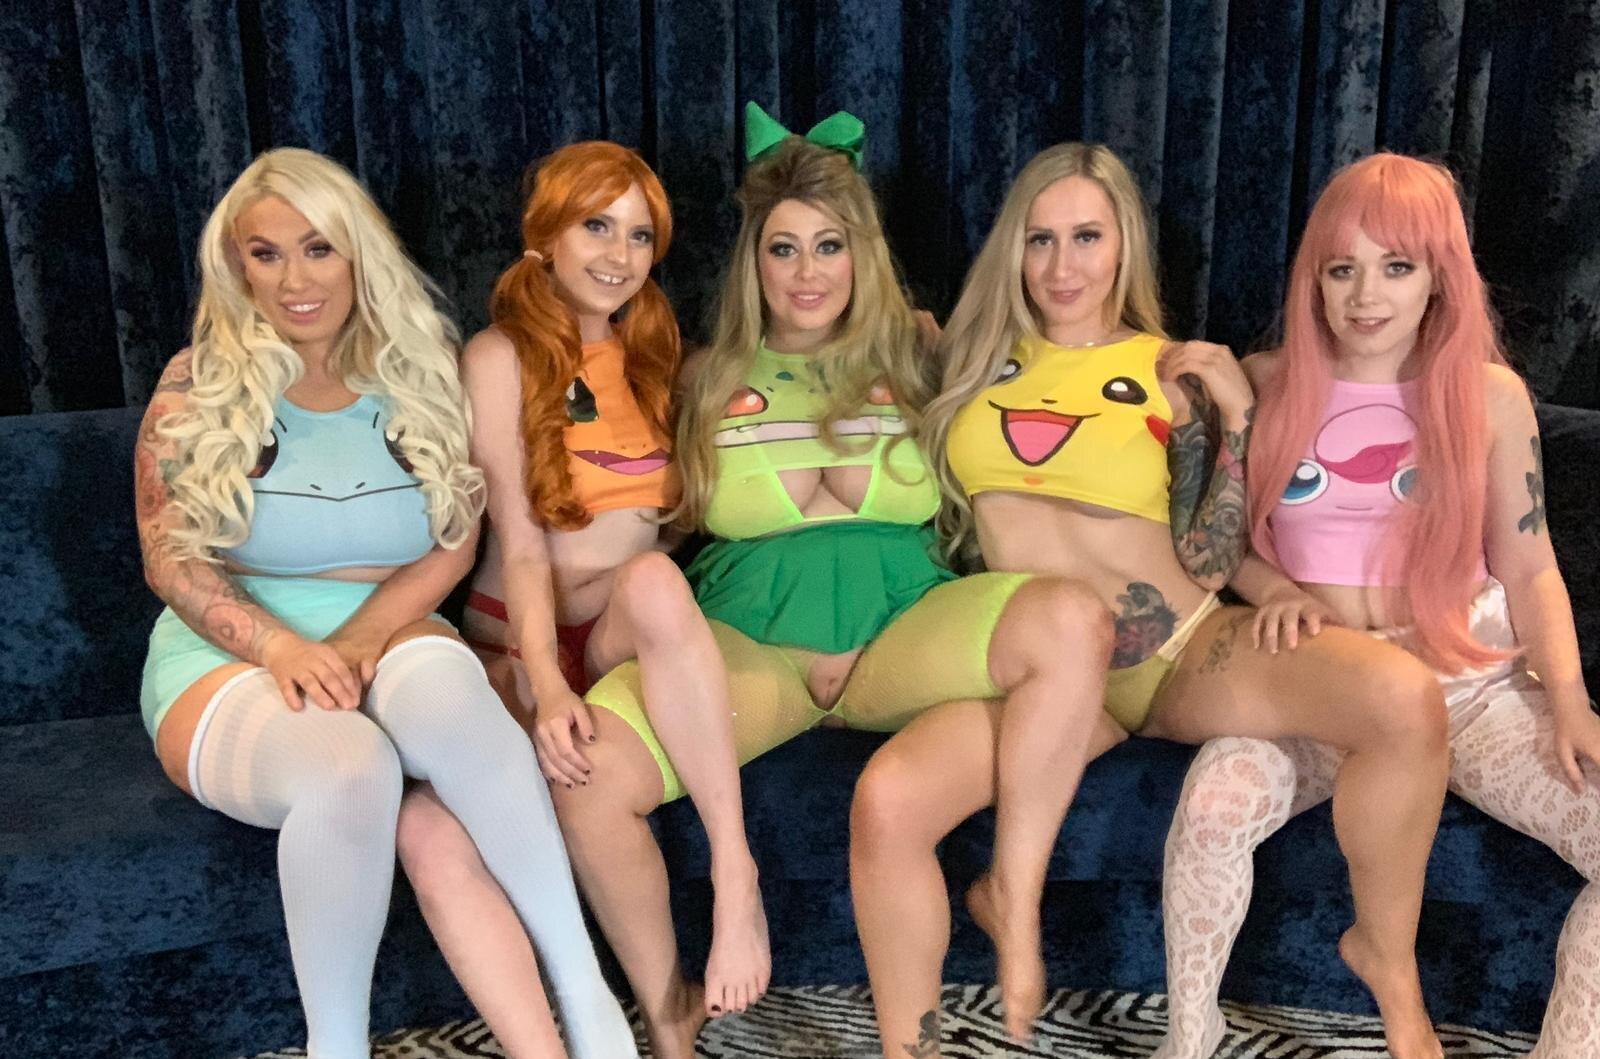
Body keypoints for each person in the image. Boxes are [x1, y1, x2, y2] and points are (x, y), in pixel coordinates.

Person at [571, 104, 1115, 1059]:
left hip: (906, 632)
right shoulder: (701, 375)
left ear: (862, 254)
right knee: (587, 782)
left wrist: (1213, 380)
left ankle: (954, 990)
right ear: (753, 261)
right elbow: (607, 477)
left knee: (1071, 619)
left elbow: (1065, 369)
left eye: (830, 245)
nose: (807, 272)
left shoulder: (923, 354)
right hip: (752, 649)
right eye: (783, 248)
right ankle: (670, 1018)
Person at [921, 142, 1453, 1059]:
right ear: (1013, 249)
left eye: (1087, 236)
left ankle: (1389, 965)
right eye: (1041, 239)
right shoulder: (966, 363)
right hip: (1048, 679)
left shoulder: (1173, 366)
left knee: (1404, 699)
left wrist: (1235, 416)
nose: (1062, 264)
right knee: (896, 800)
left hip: (1180, 656)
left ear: (1124, 244)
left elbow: (1208, 557)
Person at [133, 147, 634, 1059]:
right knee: (350, 764)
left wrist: (366, 635)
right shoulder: (195, 382)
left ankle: (583, 988)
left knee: (459, 717)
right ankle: (338, 1047)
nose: (295, 279)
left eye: (319, 248)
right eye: (266, 253)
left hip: (395, 622)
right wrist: (281, 648)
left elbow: (457, 539)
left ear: (358, 252)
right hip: (233, 655)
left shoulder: (422, 370)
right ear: (237, 265)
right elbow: (169, 558)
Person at [1156, 152, 1600, 1059]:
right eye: (1341, 268)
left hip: (1467, 686)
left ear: (1439, 276)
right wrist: (1275, 588)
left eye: (1396, 266)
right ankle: (1187, 1037)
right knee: (1211, 807)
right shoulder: (1265, 379)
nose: (1366, 295)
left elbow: (1530, 566)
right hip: (1318, 684)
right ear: (1313, 277)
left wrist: (1570, 698)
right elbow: (1219, 542)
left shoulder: (1489, 396)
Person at [393, 140, 769, 1058]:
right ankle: (654, 1016)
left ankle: (736, 874)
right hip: (514, 639)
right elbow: (521, 544)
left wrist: (918, 332)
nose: (619, 253)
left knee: (655, 577)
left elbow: (667, 517)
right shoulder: (498, 355)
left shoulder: (655, 354)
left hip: (615, 627)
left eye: (640, 235)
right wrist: (546, 681)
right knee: (499, 807)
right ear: (547, 235)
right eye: (597, 226)